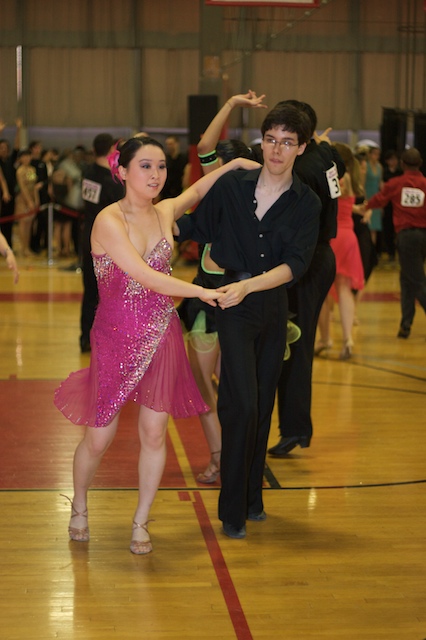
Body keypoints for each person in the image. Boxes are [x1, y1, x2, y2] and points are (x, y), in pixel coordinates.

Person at [54, 135, 258, 555]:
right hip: (114, 337)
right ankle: (79, 504)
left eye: (161, 166)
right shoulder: (108, 221)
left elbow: (195, 192)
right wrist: (200, 291)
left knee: (154, 432)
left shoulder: (164, 212)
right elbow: (145, 276)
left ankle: (141, 521)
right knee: (98, 438)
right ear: (122, 171)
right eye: (145, 166)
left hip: (161, 333)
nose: (156, 174)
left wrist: (232, 166)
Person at [176, 104, 321, 538]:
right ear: (262, 140)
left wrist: (251, 286)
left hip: (271, 306)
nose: (277, 149)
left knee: (261, 403)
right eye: (271, 139)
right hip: (232, 306)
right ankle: (232, 511)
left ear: (302, 148)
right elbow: (195, 226)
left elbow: (295, 265)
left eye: (287, 142)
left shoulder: (306, 201)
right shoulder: (232, 186)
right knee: (239, 403)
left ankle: (254, 499)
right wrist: (151, 219)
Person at [178, 90, 267, 484]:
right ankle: (228, 457)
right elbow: (205, 148)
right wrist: (230, 105)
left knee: (213, 392)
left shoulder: (241, 194)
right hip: (225, 303)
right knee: (223, 390)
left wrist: (231, 105)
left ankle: (223, 459)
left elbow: (204, 148)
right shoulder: (243, 193)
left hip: (224, 304)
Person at [268, 100, 346, 458]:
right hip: (320, 257)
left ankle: (295, 429)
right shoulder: (326, 155)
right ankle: (294, 427)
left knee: (296, 345)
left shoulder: (302, 169)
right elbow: (339, 161)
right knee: (293, 343)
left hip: (306, 262)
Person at [364, 147, 426, 339]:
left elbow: (379, 199)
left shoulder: (396, 183)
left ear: (402, 164)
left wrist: (363, 207)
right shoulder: (424, 184)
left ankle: (406, 324)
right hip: (423, 237)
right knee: (407, 280)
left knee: (417, 281)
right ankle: (405, 326)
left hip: (407, 238)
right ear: (420, 164)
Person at [315, 143, 365, 359]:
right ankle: (348, 339)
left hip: (333, 237)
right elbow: (346, 204)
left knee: (323, 292)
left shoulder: (332, 176)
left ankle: (325, 339)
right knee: (344, 289)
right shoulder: (352, 179)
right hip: (349, 238)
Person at [79, 133, 125, 353]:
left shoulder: (87, 173)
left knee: (90, 291)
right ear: (111, 151)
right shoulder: (112, 181)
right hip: (108, 241)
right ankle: (106, 339)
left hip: (88, 235)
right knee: (108, 292)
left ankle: (86, 337)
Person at [15, 149, 42, 257]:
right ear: (20, 158)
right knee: (23, 223)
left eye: (28, 156)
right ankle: (23, 248)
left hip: (32, 196)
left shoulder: (32, 169)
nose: (26, 158)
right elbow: (23, 188)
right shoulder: (20, 171)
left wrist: (36, 199)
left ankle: (27, 247)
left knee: (30, 224)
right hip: (23, 199)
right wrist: (29, 201)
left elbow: (34, 185)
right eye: (24, 156)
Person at [0, 118, 22, 248]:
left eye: (5, 148)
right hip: (1, 194)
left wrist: (18, 129)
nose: (3, 150)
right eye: (1, 148)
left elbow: (17, 147)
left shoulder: (10, 161)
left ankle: (8, 245)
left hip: (10, 194)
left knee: (9, 221)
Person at [382, 149, 403, 267]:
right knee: (388, 228)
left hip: (398, 204)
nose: (393, 161)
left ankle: (400, 251)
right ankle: (390, 252)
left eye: (395, 159)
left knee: (398, 229)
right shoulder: (384, 172)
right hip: (388, 204)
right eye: (391, 159)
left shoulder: (401, 172)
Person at [160, 135, 188, 199]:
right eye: (167, 144)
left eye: (171, 144)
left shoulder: (184, 159)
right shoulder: (165, 159)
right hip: (165, 192)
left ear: (177, 144)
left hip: (179, 191)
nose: (169, 146)